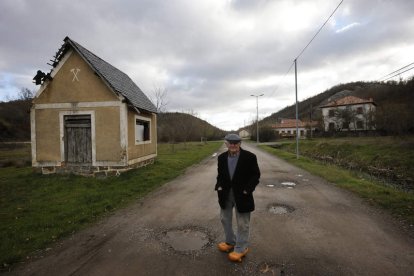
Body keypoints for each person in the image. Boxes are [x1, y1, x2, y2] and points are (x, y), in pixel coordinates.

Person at [215, 133, 261, 262]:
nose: (233, 145)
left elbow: (255, 175)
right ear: (226, 144)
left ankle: (241, 247)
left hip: (243, 195)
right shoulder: (222, 158)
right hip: (226, 194)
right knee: (224, 219)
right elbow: (220, 175)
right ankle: (230, 242)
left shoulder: (250, 157)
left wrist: (247, 190)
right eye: (230, 143)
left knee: (242, 223)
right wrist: (218, 186)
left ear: (240, 143)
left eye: (236, 143)